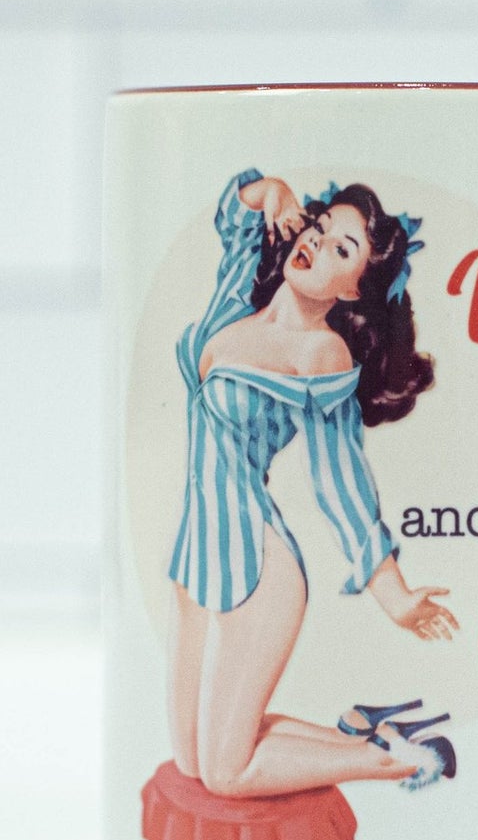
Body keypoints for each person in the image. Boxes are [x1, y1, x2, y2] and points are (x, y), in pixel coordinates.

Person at [165, 167, 457, 799]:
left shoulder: (321, 357)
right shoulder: (239, 295)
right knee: (190, 759)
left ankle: (407, 759)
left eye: (341, 250)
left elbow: (341, 480)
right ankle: (369, 734)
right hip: (196, 553)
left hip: (255, 567)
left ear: (355, 290)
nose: (317, 244)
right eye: (321, 229)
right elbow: (234, 216)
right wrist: (270, 190)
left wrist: (394, 592)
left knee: (225, 772)